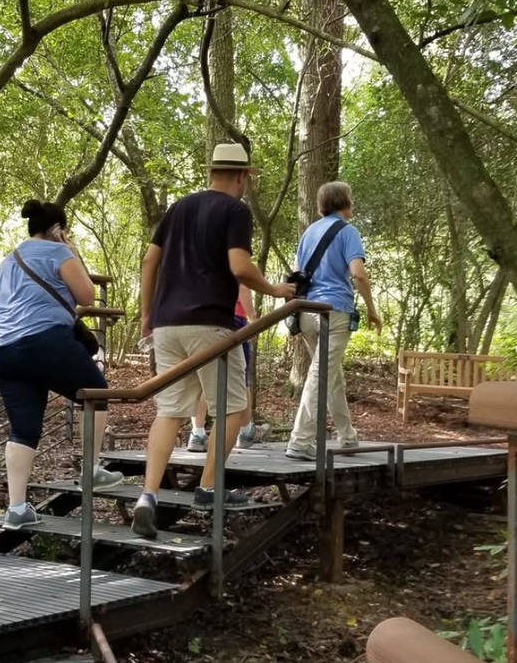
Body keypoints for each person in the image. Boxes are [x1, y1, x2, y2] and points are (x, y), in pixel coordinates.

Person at [132, 143, 296, 538]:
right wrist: (275, 290)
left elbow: (149, 261)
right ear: (241, 176)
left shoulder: (178, 208)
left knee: (169, 412)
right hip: (210, 325)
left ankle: (147, 496)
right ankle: (208, 488)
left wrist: (146, 316)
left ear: (213, 172)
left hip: (167, 326)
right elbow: (239, 266)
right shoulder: (234, 210)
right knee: (234, 410)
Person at [0, 200, 123, 531]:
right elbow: (87, 296)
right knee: (96, 393)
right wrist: (70, 249)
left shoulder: (8, 261)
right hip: (42, 341)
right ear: (58, 229)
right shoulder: (59, 253)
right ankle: (90, 471)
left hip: (1, 349)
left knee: (24, 428)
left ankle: (17, 508)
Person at [285, 181, 381, 461]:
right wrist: (372, 310)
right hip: (332, 312)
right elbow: (358, 274)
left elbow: (296, 272)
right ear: (345, 202)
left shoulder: (309, 233)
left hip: (305, 312)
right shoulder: (347, 231)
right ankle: (300, 441)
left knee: (331, 375)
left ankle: (347, 436)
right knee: (320, 375)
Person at [188, 284, 270, 451]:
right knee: (241, 378)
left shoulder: (201, 260)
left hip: (204, 319)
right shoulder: (232, 257)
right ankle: (246, 431)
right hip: (233, 319)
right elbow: (243, 285)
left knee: (207, 376)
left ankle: (197, 433)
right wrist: (253, 318)